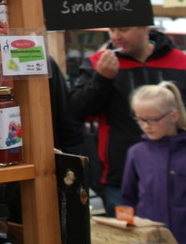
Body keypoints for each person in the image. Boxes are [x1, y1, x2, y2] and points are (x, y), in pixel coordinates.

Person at [68, 26, 186, 210]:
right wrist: (102, 79)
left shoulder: (180, 61)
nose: (116, 36)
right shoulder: (98, 62)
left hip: (178, 173)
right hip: (119, 176)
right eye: (112, 30)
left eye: (123, 29)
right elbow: (77, 112)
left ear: (144, 27)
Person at [120, 82, 186, 242]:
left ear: (173, 116)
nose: (146, 126)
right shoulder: (136, 153)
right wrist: (124, 232)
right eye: (140, 120)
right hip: (149, 238)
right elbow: (127, 197)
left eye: (152, 120)